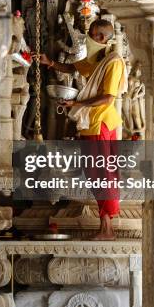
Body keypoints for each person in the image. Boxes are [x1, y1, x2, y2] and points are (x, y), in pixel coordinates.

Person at [39, 18, 127, 240]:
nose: (89, 37)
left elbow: (107, 98)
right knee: (94, 175)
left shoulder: (113, 62)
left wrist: (76, 104)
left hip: (102, 123)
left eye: (93, 34)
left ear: (103, 38)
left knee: (104, 175)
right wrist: (50, 63)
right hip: (90, 125)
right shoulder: (98, 59)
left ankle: (107, 229)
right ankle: (104, 227)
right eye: (89, 33)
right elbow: (73, 68)